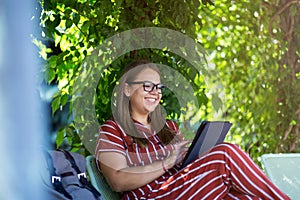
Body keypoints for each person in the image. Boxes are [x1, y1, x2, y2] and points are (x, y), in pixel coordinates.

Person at [95, 60, 290, 199]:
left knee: (243, 196)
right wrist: (166, 163)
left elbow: (186, 170)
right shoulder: (112, 130)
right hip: (151, 195)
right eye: (147, 86)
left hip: (182, 189)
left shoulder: (168, 128)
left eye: (159, 87)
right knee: (226, 154)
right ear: (128, 90)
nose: (156, 92)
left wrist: (194, 155)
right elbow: (118, 180)